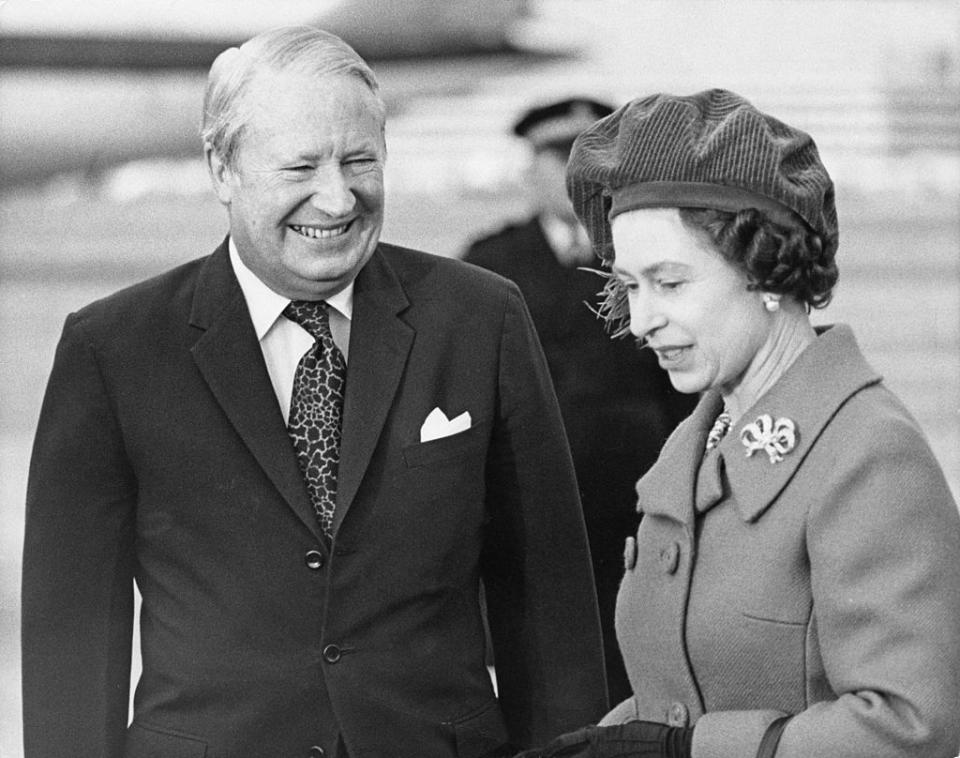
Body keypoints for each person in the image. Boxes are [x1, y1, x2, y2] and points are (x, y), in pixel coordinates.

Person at [20, 26, 609, 758]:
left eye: (359, 161)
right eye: (299, 167)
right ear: (221, 168)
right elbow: (70, 637)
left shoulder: (481, 317)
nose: (336, 199)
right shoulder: (112, 349)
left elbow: (549, 610)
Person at [517, 89, 960, 757]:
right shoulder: (695, 442)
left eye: (670, 284)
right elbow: (692, 686)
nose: (640, 322)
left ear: (766, 268)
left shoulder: (868, 454)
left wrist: (685, 750)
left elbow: (911, 727)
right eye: (630, 287)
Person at [462, 99, 696, 703]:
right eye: (554, 155)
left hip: (640, 506)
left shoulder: (652, 259)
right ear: (528, 170)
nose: (572, 174)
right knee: (543, 680)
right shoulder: (490, 263)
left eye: (586, 157)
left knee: (639, 676)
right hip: (530, 510)